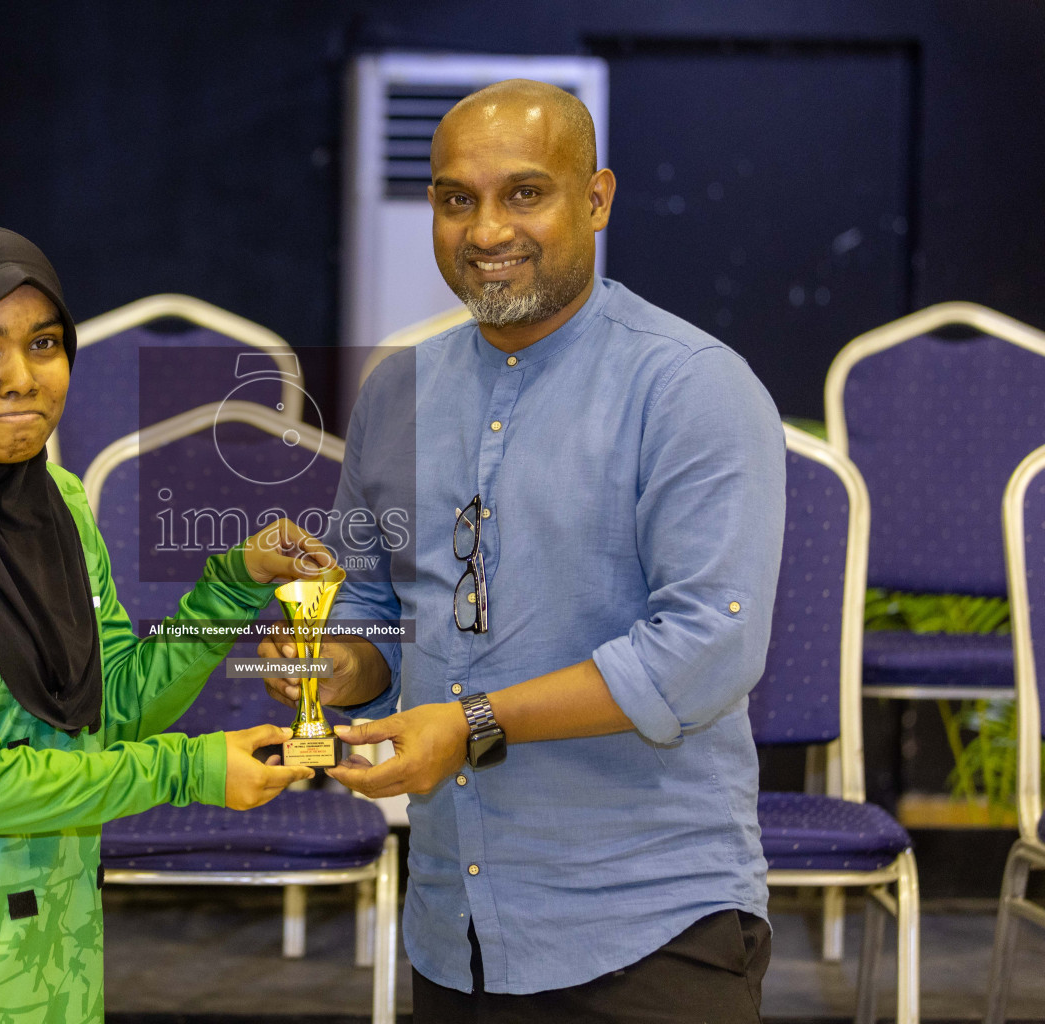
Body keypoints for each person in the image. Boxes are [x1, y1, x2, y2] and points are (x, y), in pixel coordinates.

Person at [261, 80, 786, 1022]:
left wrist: (468, 724)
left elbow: (709, 649)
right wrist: (339, 669)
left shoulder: (692, 388)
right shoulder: (398, 391)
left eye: (525, 194)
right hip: (452, 928)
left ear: (597, 199)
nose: (486, 228)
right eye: (457, 198)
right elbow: (376, 611)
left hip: (648, 928)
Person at [0, 223, 324, 1024]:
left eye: (44, 344)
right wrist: (191, 771)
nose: (21, 378)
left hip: (50, 950)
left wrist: (229, 587)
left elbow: (110, 711)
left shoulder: (61, 505)